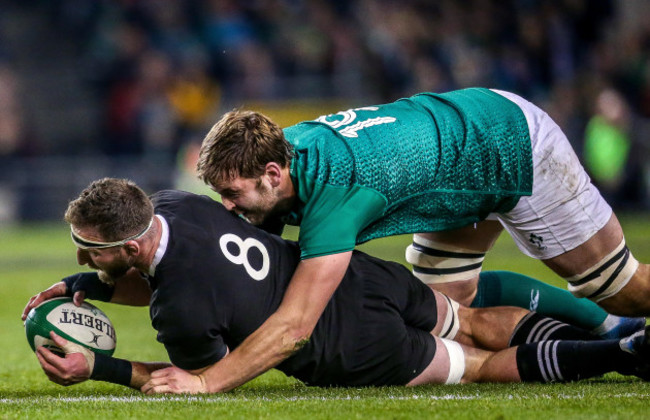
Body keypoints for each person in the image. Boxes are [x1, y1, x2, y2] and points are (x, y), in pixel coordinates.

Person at [23, 178, 650, 393]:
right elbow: (177, 275)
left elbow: (186, 380)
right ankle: (609, 336)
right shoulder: (177, 203)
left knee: (481, 367)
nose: (82, 253)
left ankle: (618, 354)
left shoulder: (180, 311)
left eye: (91, 248)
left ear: (128, 246)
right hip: (347, 275)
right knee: (477, 320)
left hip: (345, 339)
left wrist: (97, 370)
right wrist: (87, 283)